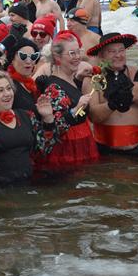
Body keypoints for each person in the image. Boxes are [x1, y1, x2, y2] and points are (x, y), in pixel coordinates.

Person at [0, 71, 60, 184]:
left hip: (24, 183)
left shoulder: (27, 115)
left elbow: (42, 150)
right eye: (0, 90)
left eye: (9, 88)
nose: (7, 93)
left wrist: (48, 118)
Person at [86, 34, 138, 156]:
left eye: (121, 50)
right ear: (101, 55)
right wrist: (112, 104)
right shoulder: (93, 79)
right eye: (112, 51)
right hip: (104, 151)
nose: (118, 55)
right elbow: (93, 116)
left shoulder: (137, 74)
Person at [34, 31, 97, 171]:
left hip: (81, 141)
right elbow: (54, 128)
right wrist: (75, 110)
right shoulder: (53, 88)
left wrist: (78, 81)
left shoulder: (70, 79)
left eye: (78, 52)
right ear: (57, 57)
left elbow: (69, 95)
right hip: (68, 147)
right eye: (71, 54)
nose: (77, 58)